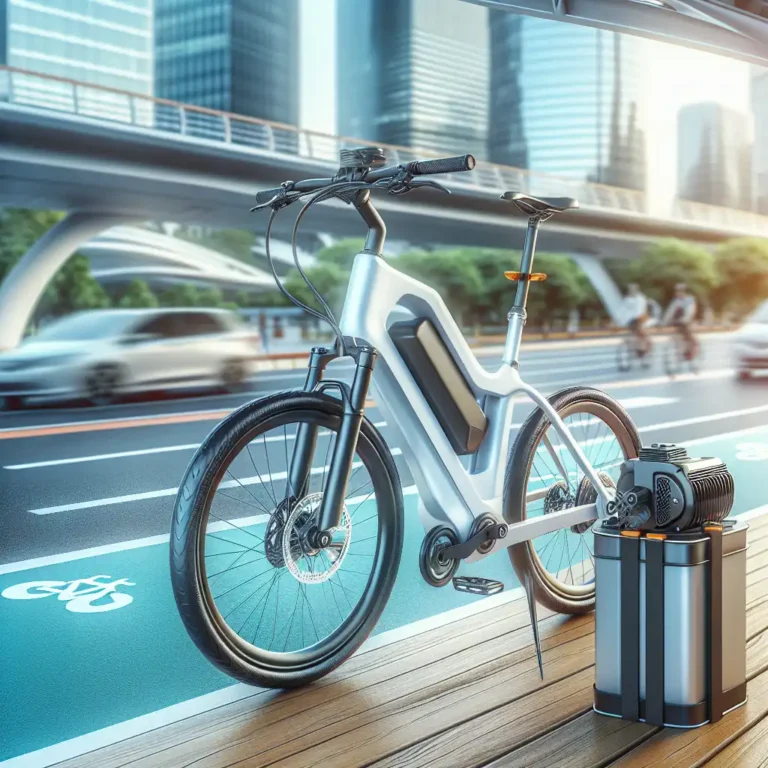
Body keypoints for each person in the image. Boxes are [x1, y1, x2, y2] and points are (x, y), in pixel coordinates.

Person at [663, 283, 698, 359]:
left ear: (684, 292)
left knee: (685, 331)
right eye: (676, 291)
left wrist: (685, 319)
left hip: (687, 320)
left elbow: (690, 311)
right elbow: (670, 311)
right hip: (677, 320)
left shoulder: (690, 300)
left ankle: (692, 346)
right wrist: (665, 321)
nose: (677, 293)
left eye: (679, 291)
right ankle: (681, 349)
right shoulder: (676, 301)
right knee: (676, 333)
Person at [623, 283, 651, 355]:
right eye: (630, 290)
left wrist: (635, 318)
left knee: (637, 328)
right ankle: (638, 345)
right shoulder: (628, 299)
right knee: (633, 328)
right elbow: (623, 310)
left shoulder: (640, 298)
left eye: (632, 290)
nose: (631, 292)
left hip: (641, 316)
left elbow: (639, 310)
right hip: (633, 318)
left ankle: (645, 342)